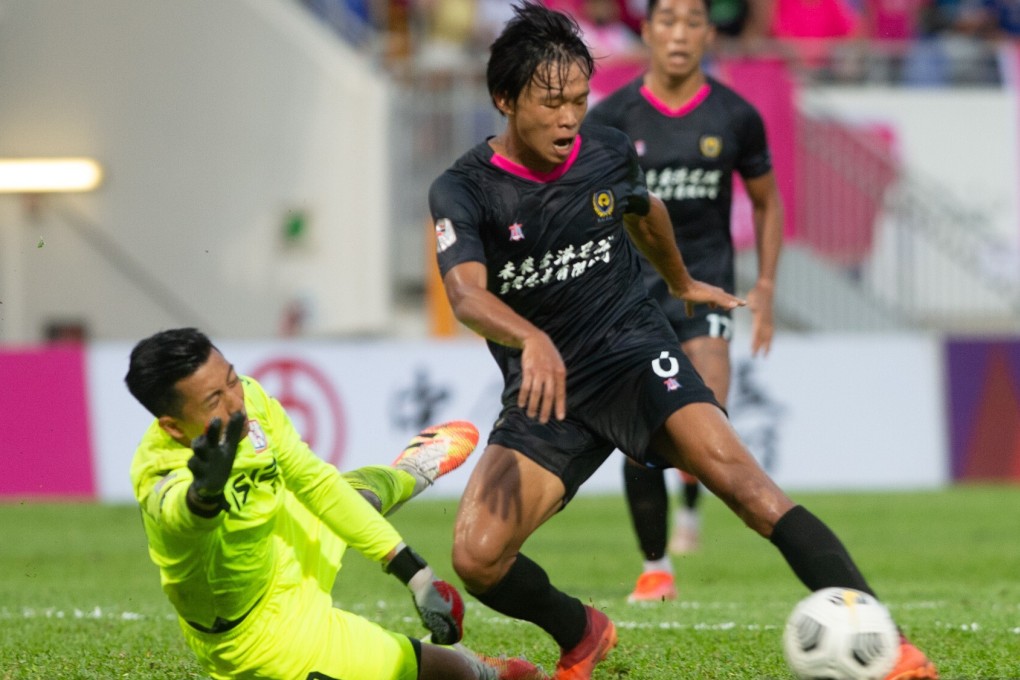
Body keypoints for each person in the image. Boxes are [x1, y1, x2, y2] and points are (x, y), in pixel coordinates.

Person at [428, 3, 938, 680]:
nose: (569, 118)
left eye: (580, 100)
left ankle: (888, 643)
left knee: (750, 489)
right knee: (477, 559)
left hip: (635, 355)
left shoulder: (605, 150)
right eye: (552, 103)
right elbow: (466, 294)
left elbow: (646, 210)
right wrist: (532, 339)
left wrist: (682, 281)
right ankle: (582, 633)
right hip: (548, 392)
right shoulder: (463, 190)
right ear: (504, 98)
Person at [126, 327, 547, 680]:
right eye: (213, 401)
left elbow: (312, 480)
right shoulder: (161, 473)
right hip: (260, 635)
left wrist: (415, 574)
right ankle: (478, 669)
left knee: (346, 494)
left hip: (278, 542)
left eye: (232, 380)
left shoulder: (250, 401)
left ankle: (407, 474)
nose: (236, 403)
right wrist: (204, 496)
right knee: (441, 671)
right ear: (173, 428)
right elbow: (179, 515)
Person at [585, 0, 783, 603]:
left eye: (691, 21)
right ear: (646, 31)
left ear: (706, 33)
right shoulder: (613, 118)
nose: (678, 32)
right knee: (646, 427)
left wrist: (766, 287)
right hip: (633, 298)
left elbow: (768, 202)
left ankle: (692, 501)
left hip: (707, 290)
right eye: (666, 20)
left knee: (707, 413)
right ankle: (656, 565)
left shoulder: (736, 115)